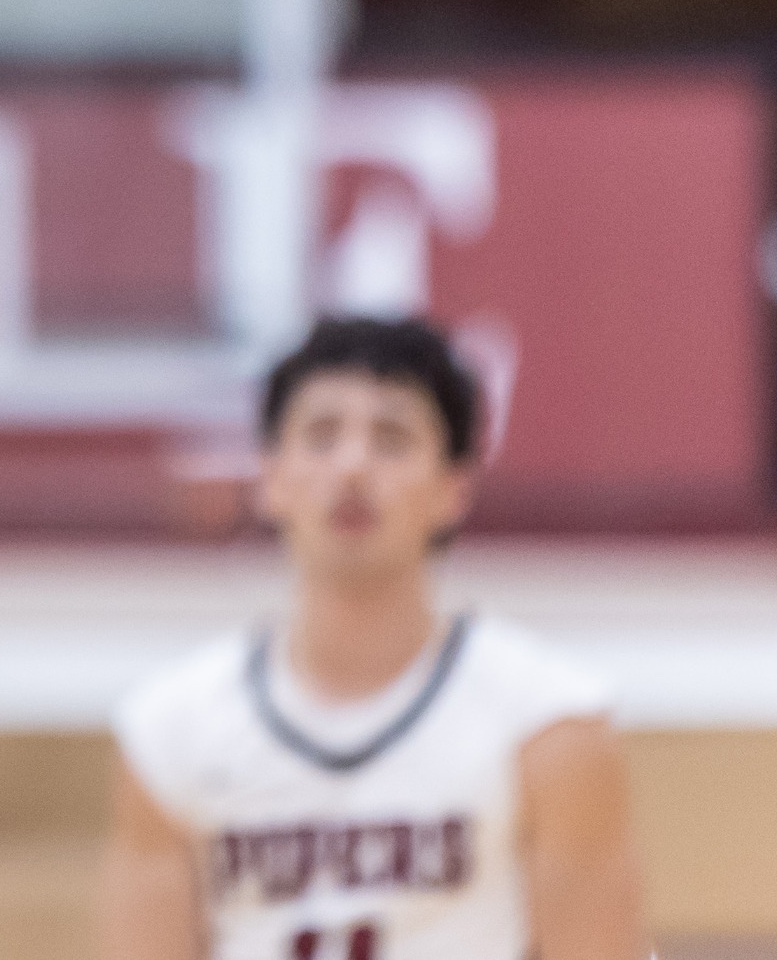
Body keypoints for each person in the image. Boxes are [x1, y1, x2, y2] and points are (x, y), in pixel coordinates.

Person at [100, 317, 648, 960]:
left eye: (391, 438)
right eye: (322, 435)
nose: (353, 466)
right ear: (272, 479)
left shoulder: (548, 722)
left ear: (454, 488)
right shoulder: (173, 728)